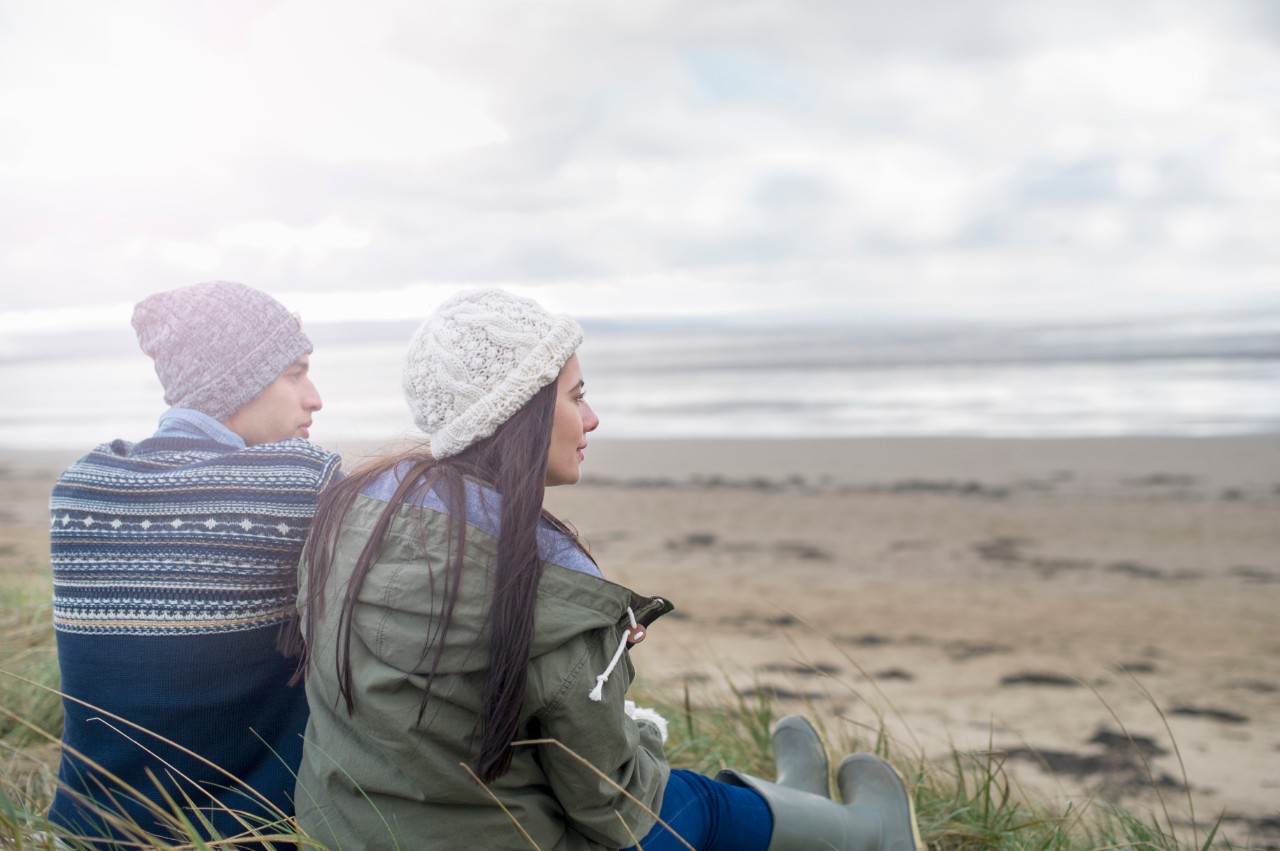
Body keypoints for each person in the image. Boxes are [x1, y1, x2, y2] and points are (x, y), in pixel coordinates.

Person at [294, 288, 924, 850]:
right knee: (688, 800)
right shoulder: (539, 586)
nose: (592, 418)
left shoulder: (351, 518)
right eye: (577, 396)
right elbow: (616, 807)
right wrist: (636, 722)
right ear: (523, 414)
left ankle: (800, 802)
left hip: (349, 826)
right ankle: (868, 834)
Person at [48, 281, 343, 847]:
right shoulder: (303, 483)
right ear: (240, 380)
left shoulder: (79, 486)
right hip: (237, 836)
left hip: (84, 832)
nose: (315, 398)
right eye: (294, 373)